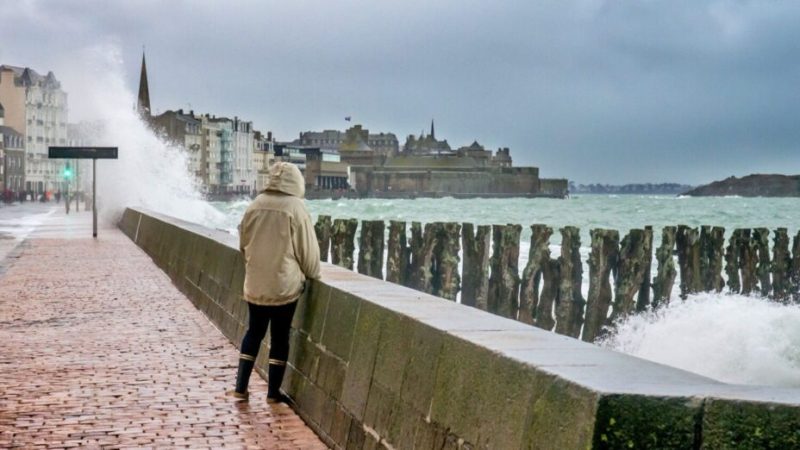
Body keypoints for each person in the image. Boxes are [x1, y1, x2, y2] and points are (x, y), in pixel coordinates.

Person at [228, 162, 321, 403]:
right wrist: (313, 274)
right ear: (296, 182)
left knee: (254, 331)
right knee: (280, 337)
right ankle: (272, 393)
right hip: (283, 286)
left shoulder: (255, 205)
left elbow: (243, 243)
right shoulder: (295, 207)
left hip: (256, 283)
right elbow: (307, 250)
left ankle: (240, 387)